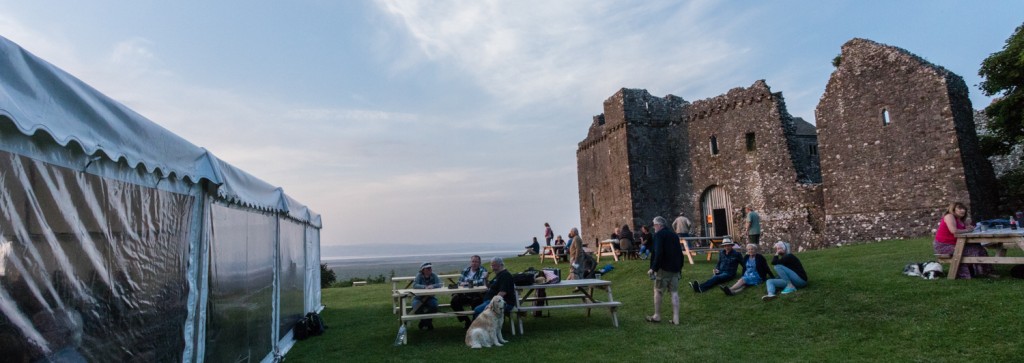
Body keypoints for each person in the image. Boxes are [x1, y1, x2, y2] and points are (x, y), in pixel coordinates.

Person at [934, 202, 994, 279]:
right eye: (960, 208)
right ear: (953, 209)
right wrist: (967, 230)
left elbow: (967, 228)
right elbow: (954, 231)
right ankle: (973, 273)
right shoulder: (949, 216)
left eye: (964, 209)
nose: (963, 211)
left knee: (978, 247)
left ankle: (984, 271)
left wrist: (970, 227)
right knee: (974, 250)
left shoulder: (960, 219)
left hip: (957, 244)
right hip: (945, 246)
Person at [646, 216, 682, 325]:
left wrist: (653, 268)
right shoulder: (674, 235)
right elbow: (680, 253)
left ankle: (657, 315)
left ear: (659, 225)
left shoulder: (658, 235)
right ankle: (676, 318)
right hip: (675, 268)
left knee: (658, 291)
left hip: (663, 268)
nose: (653, 227)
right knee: (674, 293)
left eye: (654, 225)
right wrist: (680, 268)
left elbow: (658, 252)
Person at [451, 255, 488, 329]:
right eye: (473, 261)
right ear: (470, 262)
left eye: (476, 262)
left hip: (477, 294)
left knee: (477, 303)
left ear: (479, 263)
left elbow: (481, 282)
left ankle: (475, 323)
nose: (474, 263)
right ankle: (466, 320)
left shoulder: (483, 270)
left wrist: (467, 283)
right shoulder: (465, 270)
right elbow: (459, 282)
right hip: (465, 293)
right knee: (454, 301)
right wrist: (469, 283)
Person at [411, 262, 443, 330]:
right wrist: (424, 287)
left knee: (434, 306)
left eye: (430, 268)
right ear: (423, 270)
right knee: (416, 307)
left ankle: (425, 322)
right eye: (428, 268)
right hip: (419, 297)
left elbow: (440, 284)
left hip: (431, 297)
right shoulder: (419, 275)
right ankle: (427, 323)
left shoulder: (434, 275)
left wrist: (433, 286)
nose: (430, 269)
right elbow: (414, 285)